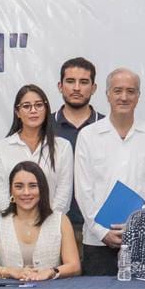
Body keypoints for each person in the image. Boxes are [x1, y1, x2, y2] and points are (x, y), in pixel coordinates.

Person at [74, 68, 145, 275]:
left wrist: (136, 227)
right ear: (107, 94)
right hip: (98, 242)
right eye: (117, 91)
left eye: (130, 91)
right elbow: (83, 191)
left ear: (138, 96)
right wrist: (102, 232)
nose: (124, 97)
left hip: (144, 240)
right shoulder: (88, 136)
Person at [0, 161, 81, 281]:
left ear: (42, 189)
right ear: (11, 190)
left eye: (32, 186)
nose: (26, 192)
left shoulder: (61, 221)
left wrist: (51, 272)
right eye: (19, 186)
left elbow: (74, 266)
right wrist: (9, 271)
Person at [0, 85, 73, 215]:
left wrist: (49, 221)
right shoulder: (1, 148)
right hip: (11, 223)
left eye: (39, 105)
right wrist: (17, 222)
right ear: (17, 112)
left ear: (46, 109)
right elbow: (0, 195)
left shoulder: (63, 147)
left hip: (52, 223)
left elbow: (64, 193)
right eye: (26, 106)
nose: (33, 110)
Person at [52, 58, 104, 245]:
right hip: (53, 225)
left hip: (98, 227)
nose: (76, 88)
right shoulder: (43, 126)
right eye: (70, 81)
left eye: (83, 82)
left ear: (94, 88)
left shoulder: (107, 127)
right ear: (60, 86)